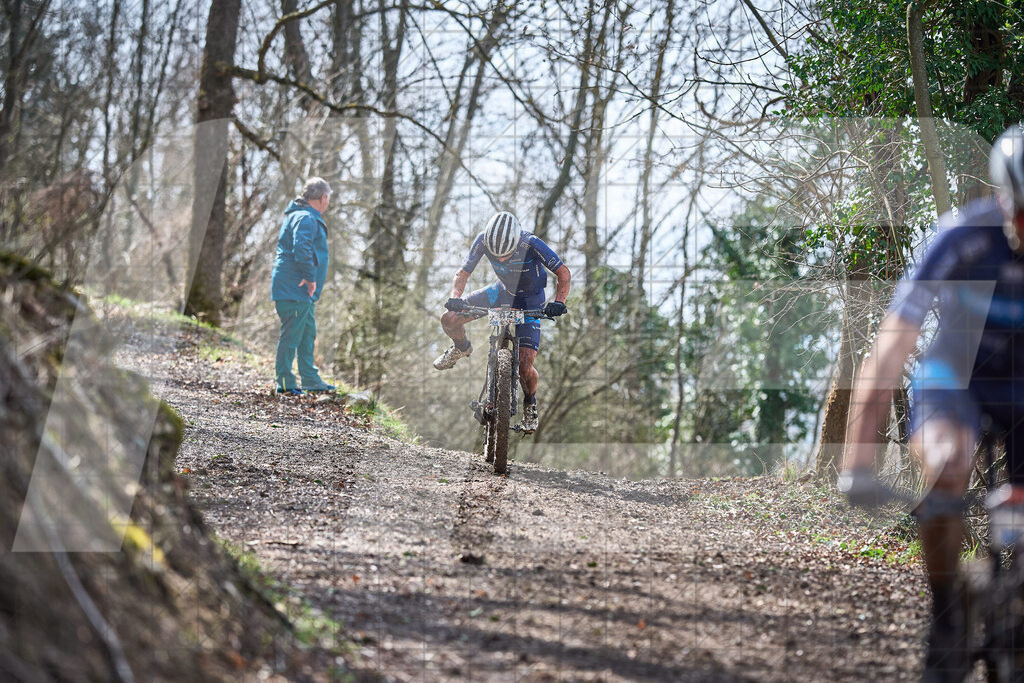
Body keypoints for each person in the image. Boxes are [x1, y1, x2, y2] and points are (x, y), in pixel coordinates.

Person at [840, 125, 1024, 682]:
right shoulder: (959, 239)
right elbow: (893, 346)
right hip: (956, 376)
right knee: (947, 464)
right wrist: (858, 460)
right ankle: (946, 615)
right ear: (1004, 198)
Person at [433, 211, 571, 433]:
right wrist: (456, 298)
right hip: (502, 292)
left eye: (506, 254)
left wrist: (559, 301)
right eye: (496, 256)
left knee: (525, 365)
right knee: (449, 319)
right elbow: (463, 273)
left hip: (531, 300)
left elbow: (563, 273)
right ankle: (461, 348)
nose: (501, 259)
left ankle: (530, 404)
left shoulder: (532, 242)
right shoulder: (482, 240)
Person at [270, 177, 335, 395]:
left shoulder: (301, 215)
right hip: (295, 288)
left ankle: (310, 378)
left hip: (300, 291)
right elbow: (301, 247)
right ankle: (285, 383)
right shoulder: (306, 217)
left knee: (307, 334)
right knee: (291, 336)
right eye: (328, 198)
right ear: (323, 198)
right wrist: (310, 277)